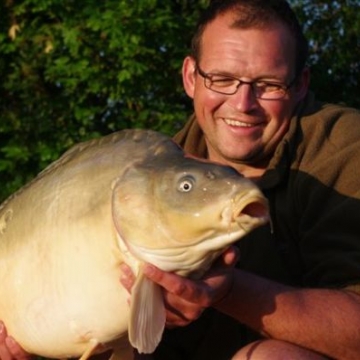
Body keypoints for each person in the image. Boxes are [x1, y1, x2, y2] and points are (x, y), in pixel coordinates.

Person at [2, 0, 360, 359]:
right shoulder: (154, 175)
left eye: (268, 84)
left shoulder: (342, 148)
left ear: (301, 85)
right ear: (190, 77)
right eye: (222, 79)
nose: (242, 103)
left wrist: (225, 291)